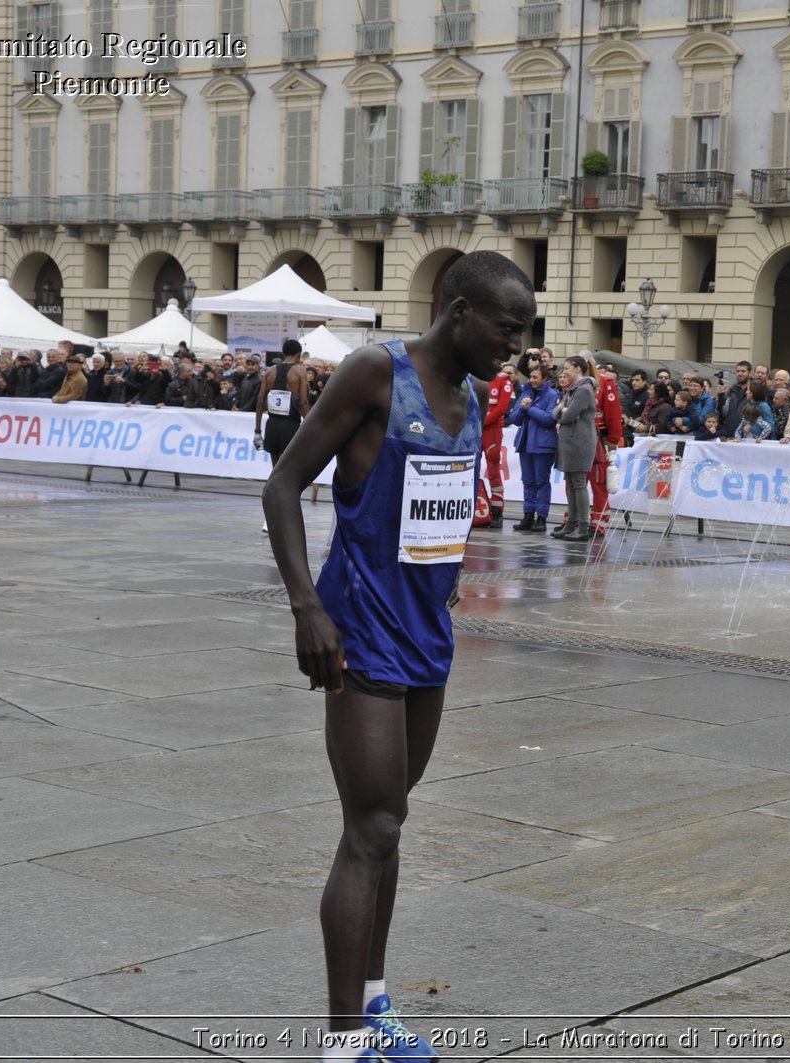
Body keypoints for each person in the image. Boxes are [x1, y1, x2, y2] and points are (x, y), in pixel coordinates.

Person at [261, 251, 532, 1063]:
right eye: (505, 328)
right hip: (361, 632)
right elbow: (281, 486)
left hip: (427, 636)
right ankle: (342, 1047)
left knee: (390, 826)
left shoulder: (473, 393)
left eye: (523, 332)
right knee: (369, 826)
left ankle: (375, 1004)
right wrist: (308, 606)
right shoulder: (376, 373)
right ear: (457, 312)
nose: (515, 346)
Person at [256, 340, 312, 532]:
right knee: (289, 475)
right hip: (291, 426)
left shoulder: (269, 372)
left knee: (275, 472)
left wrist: (257, 430)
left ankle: (268, 519)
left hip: (272, 425)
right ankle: (285, 518)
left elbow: (260, 401)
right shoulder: (299, 372)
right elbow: (304, 402)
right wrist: (311, 426)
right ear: (299, 354)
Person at [551, 354, 598, 541]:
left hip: (580, 441)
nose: (565, 371)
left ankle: (582, 527)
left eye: (568, 368)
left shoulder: (584, 390)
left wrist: (563, 412)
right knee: (571, 483)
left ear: (578, 369)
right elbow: (556, 412)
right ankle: (571, 523)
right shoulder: (573, 389)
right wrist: (562, 411)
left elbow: (567, 416)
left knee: (578, 484)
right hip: (571, 440)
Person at [508, 362, 559, 531]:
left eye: (535, 377)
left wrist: (529, 408)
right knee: (528, 481)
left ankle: (541, 518)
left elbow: (549, 419)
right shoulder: (525, 392)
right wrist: (523, 409)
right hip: (525, 444)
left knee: (541, 482)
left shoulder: (552, 395)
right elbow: (514, 419)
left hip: (543, 445)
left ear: (545, 378)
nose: (531, 380)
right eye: (530, 377)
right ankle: (528, 515)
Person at [587, 357, 625, 538]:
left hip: (598, 439)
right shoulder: (573, 383)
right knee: (575, 482)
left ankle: (599, 518)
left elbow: (613, 413)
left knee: (598, 480)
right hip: (579, 439)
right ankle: (574, 517)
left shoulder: (605, 383)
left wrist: (612, 439)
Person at [481, 361, 515, 524]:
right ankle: (475, 504)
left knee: (493, 468)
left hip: (492, 430)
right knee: (470, 467)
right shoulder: (478, 377)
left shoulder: (503, 380)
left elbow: (502, 408)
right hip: (477, 428)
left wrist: (483, 421)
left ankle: (497, 509)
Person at [718, 361, 753, 437]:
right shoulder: (732, 389)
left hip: (746, 434)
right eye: (738, 371)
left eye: (743, 371)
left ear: (750, 373)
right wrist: (721, 396)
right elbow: (724, 412)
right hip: (729, 432)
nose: (740, 374)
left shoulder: (754, 389)